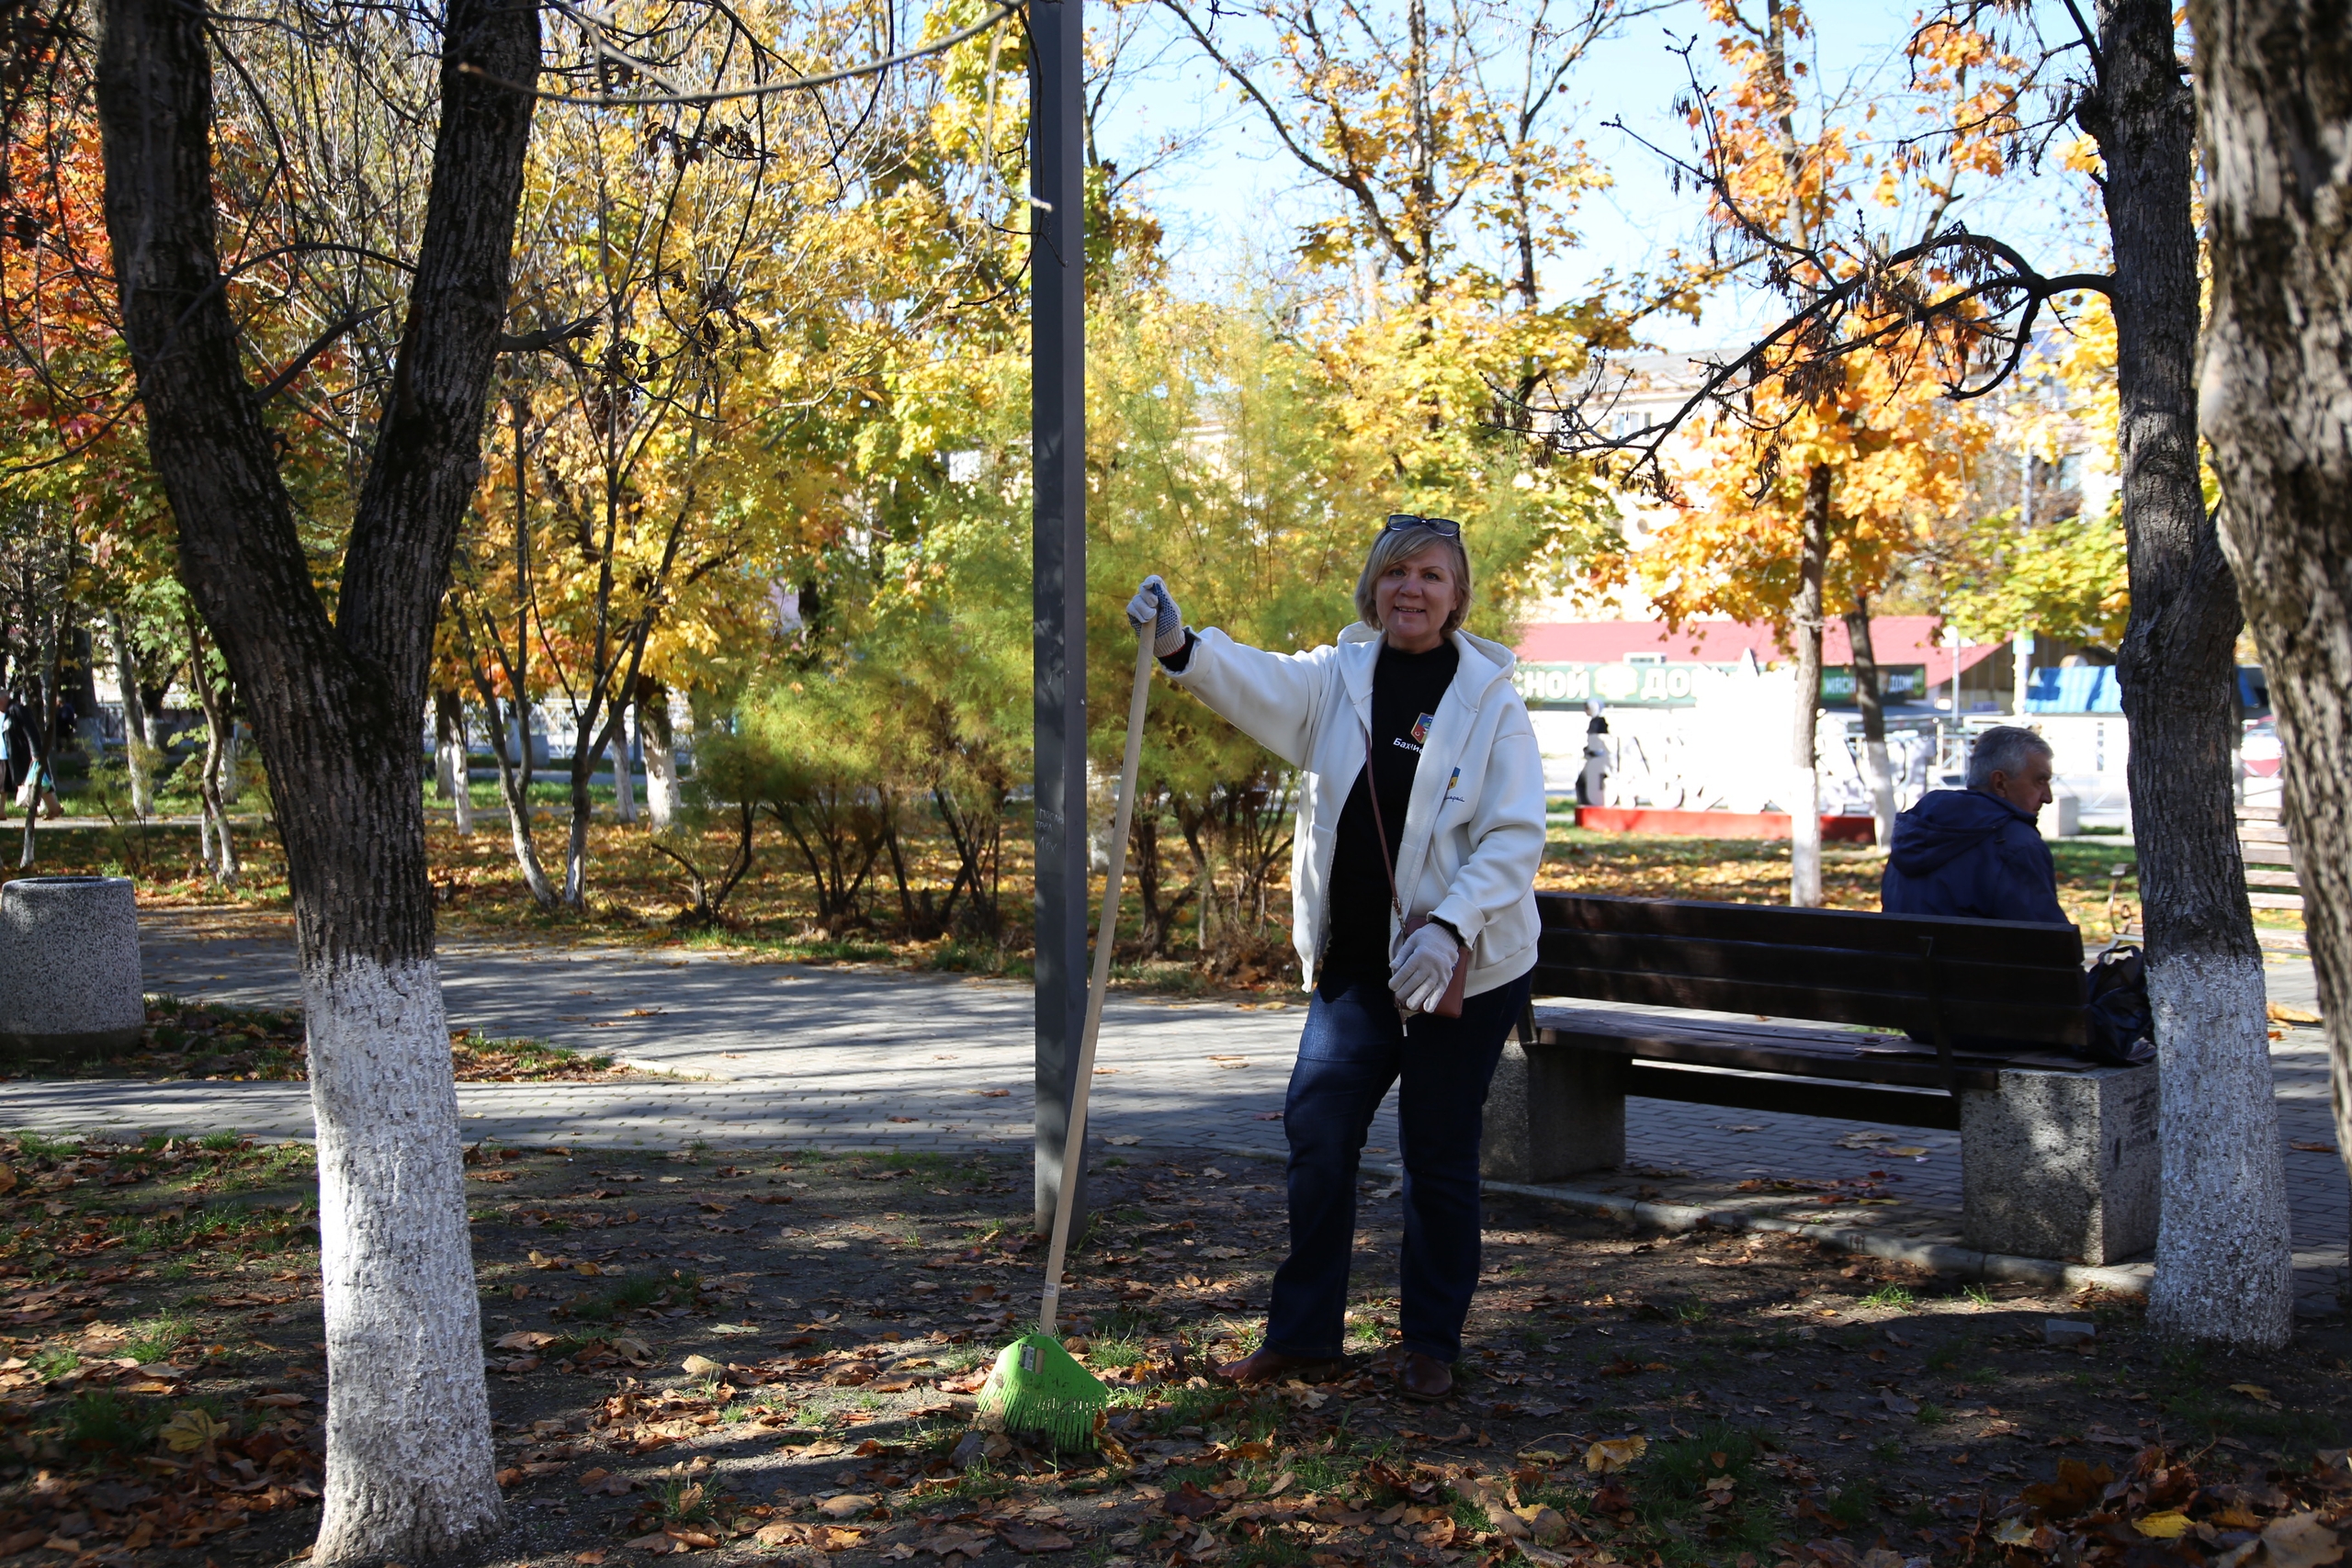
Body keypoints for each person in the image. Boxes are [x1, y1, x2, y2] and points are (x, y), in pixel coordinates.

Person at [1124, 513, 1546, 1402]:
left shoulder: (1490, 700)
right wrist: (1180, 647)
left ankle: (1430, 1342)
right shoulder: (1338, 677)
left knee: (1436, 1152)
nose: (1413, 591)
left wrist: (1452, 924)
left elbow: (1514, 838)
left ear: (1456, 593)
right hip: (1358, 965)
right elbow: (1257, 682)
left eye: (1431, 576)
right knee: (1319, 1137)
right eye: (1397, 573)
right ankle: (1306, 1334)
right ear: (1374, 585)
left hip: (1464, 967)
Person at [1881, 725, 2068, 924]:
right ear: (2000, 783)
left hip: (1899, 954)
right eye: (2040, 781)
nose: (2047, 797)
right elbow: (2049, 943)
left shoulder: (1915, 832)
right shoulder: (2017, 844)